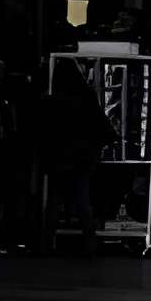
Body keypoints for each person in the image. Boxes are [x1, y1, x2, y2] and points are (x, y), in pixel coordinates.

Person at [40, 49, 114, 256]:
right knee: (82, 202)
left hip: (58, 160)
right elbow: (102, 128)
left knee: (54, 203)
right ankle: (89, 244)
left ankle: (46, 244)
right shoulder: (86, 98)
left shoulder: (51, 101)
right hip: (81, 160)